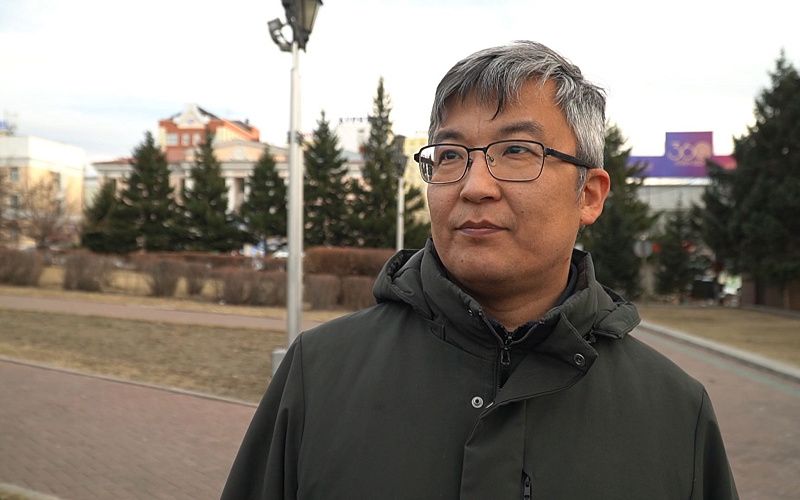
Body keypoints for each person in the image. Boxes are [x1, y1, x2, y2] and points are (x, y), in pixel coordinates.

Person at [221, 41, 738, 500]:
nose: (474, 186)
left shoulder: (676, 413)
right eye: (450, 155)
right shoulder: (319, 375)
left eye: (516, 151)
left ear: (589, 195)